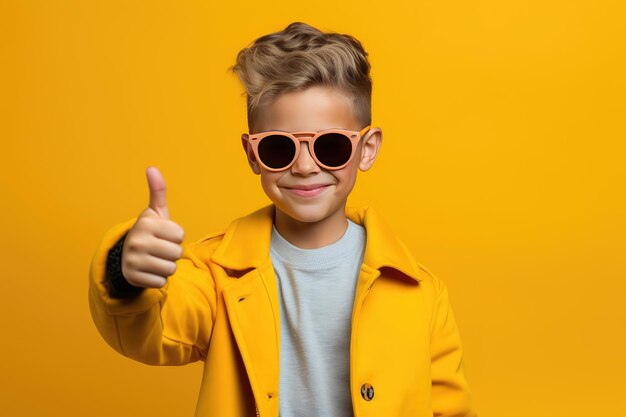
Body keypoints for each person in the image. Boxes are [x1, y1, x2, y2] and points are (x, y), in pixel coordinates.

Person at [88, 22, 476, 417]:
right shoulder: (213, 273)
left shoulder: (422, 293)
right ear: (253, 154)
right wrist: (127, 271)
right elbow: (154, 332)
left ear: (367, 149)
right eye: (278, 148)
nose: (306, 167)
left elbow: (450, 408)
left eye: (331, 146)